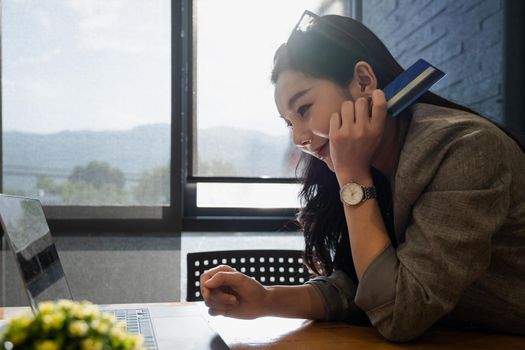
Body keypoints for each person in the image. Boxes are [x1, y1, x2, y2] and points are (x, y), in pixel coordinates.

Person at [199, 11, 525, 342]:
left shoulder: (464, 148)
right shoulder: (360, 163)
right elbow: (361, 287)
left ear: (364, 81)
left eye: (304, 108)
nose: (298, 137)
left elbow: (399, 312)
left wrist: (353, 178)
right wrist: (266, 300)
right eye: (288, 122)